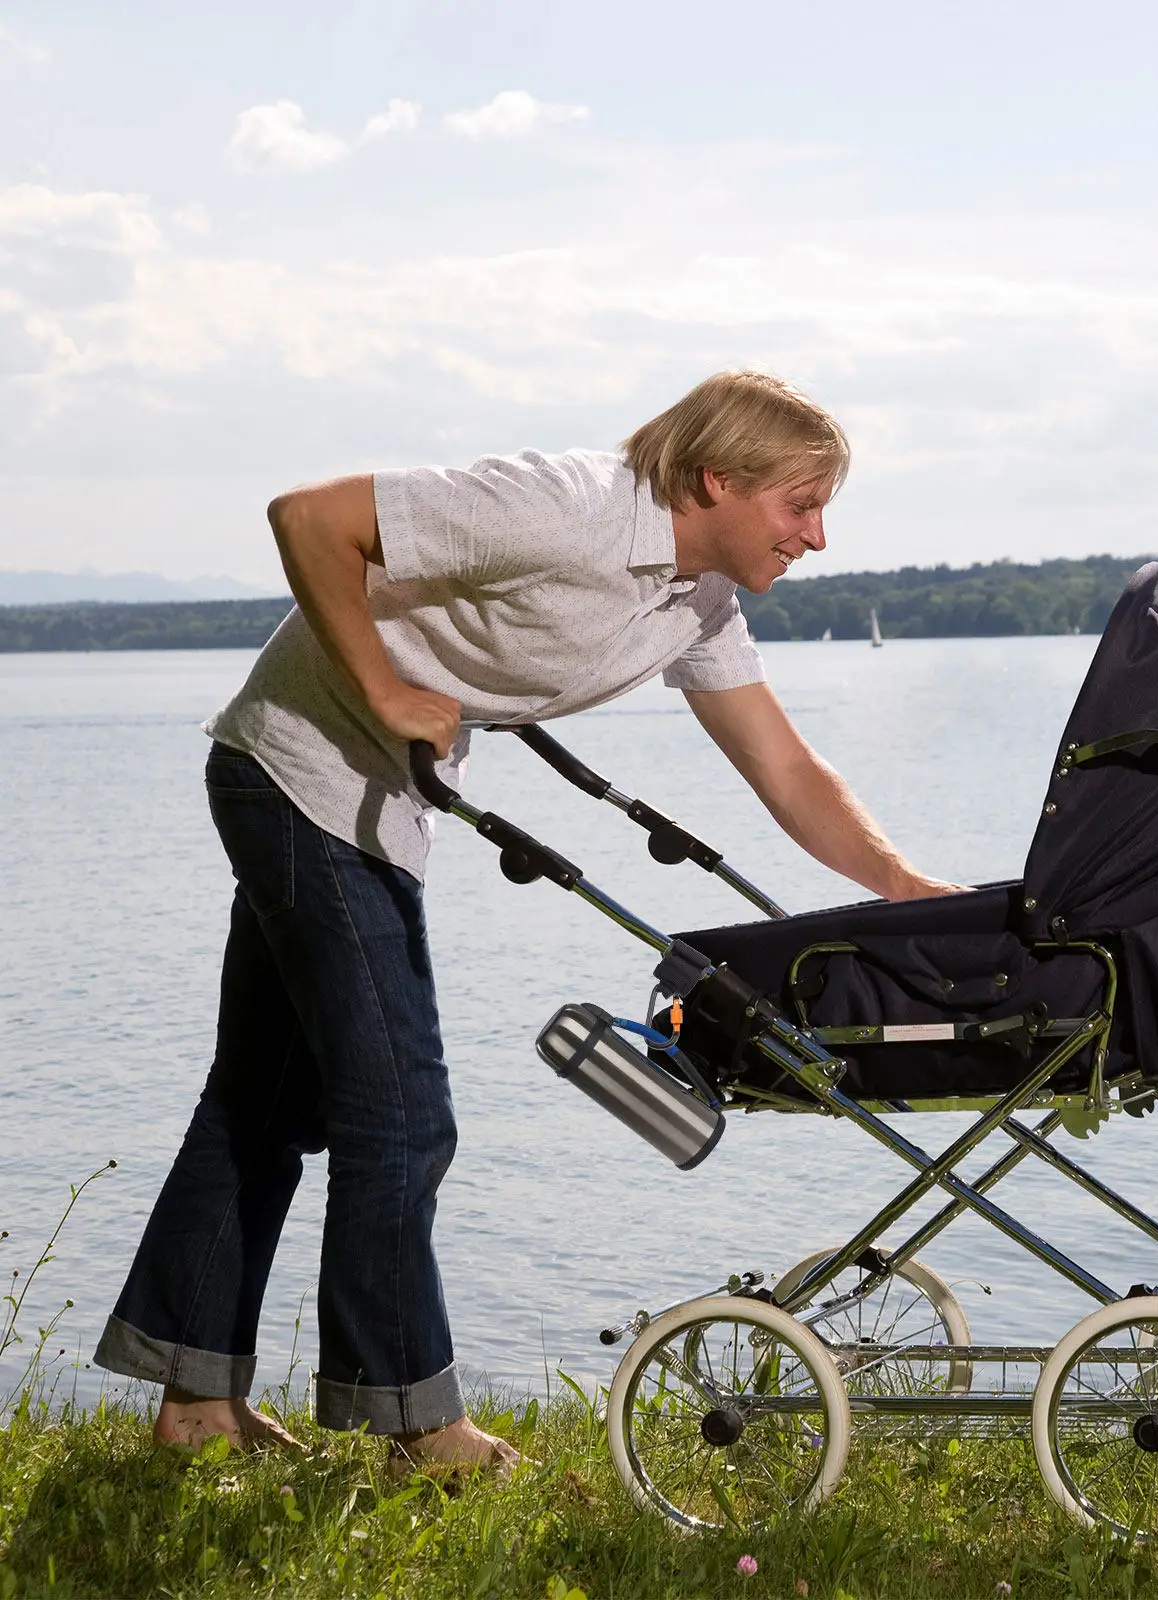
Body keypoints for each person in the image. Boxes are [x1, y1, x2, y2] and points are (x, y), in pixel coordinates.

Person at [94, 370, 956, 1476]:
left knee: (263, 1101)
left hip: (366, 804)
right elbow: (308, 519)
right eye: (800, 505)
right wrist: (386, 689)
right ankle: (415, 1424)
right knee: (401, 1114)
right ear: (717, 479)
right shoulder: (568, 505)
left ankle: (195, 1405)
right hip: (299, 774)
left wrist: (903, 887)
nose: (818, 536)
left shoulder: (693, 600)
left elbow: (783, 768)